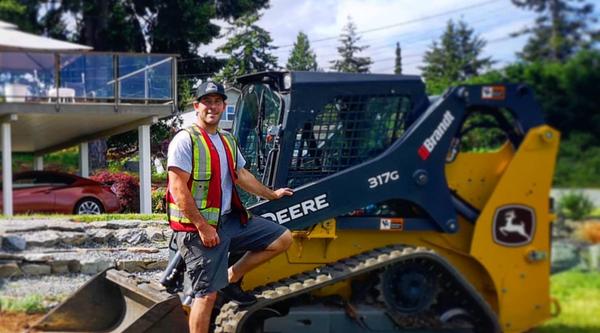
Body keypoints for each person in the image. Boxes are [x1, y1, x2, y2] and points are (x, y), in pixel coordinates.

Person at [166, 80, 293, 333]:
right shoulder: (185, 140)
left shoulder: (226, 140)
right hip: (198, 230)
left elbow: (241, 175)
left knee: (282, 239)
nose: (212, 107)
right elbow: (178, 188)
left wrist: (271, 195)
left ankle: (231, 277)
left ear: (224, 106)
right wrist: (203, 227)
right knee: (205, 295)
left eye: (217, 102)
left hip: (229, 221)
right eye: (206, 102)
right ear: (196, 106)